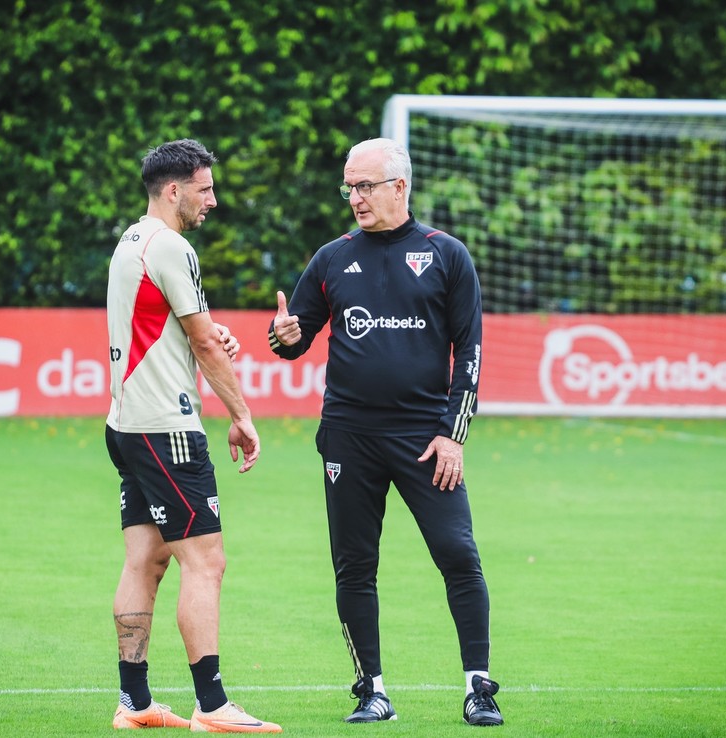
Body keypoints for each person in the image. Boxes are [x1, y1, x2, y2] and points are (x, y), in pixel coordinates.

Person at [269, 137, 503, 727]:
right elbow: (296, 340)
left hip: (427, 439)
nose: (355, 197)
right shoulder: (330, 259)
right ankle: (371, 689)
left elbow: (470, 351)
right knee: (354, 566)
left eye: (366, 185)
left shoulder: (446, 254)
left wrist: (454, 435)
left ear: (400, 187)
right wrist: (284, 337)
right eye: (349, 186)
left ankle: (479, 687)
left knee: (458, 554)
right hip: (349, 437)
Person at [105, 138, 281, 733]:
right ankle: (213, 706)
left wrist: (207, 335)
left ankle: (135, 703)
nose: (213, 199)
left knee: (146, 559)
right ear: (175, 190)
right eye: (205, 188)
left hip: (126, 425)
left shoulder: (132, 240)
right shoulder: (172, 245)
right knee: (207, 563)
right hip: (167, 430)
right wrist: (242, 415)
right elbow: (202, 342)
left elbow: (170, 325)